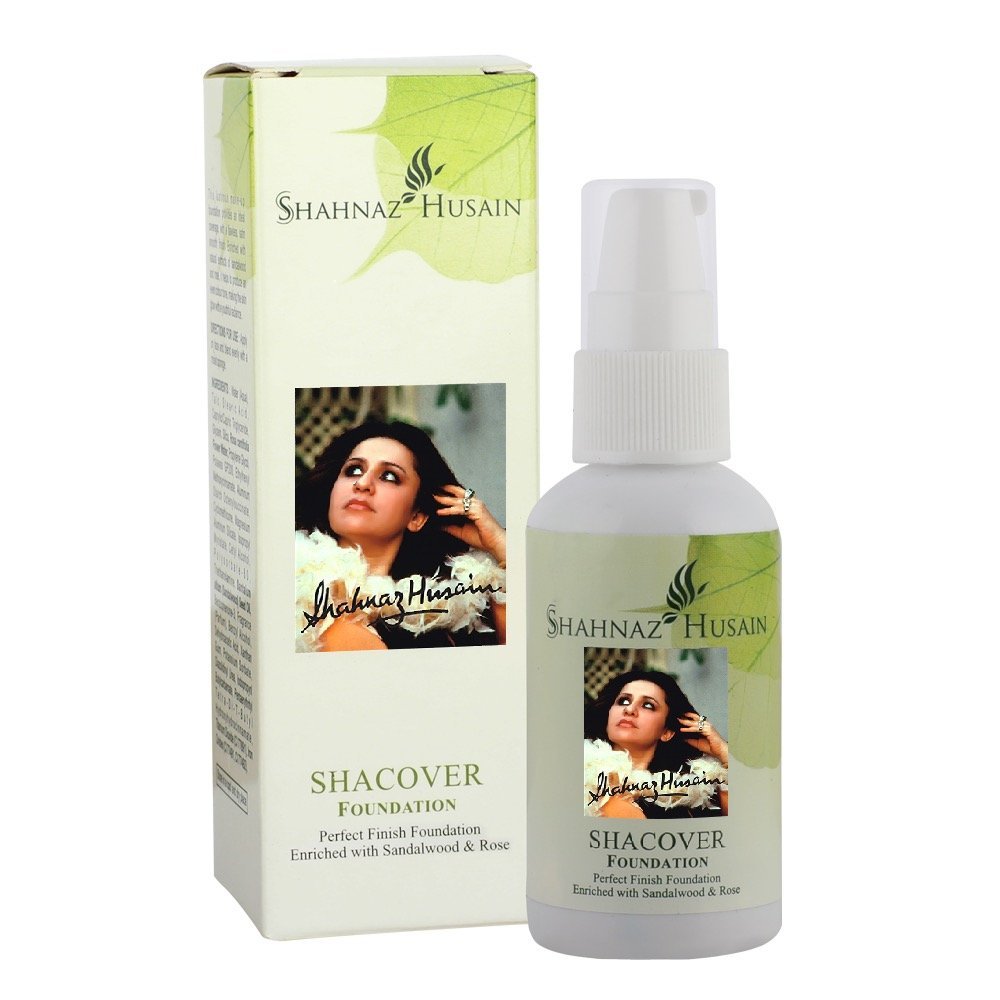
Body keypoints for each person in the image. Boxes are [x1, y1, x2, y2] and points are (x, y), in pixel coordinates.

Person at [295, 420, 507, 651]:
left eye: (389, 476)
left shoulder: (457, 614)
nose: (362, 483)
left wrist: (499, 544)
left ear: (417, 516)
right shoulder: (284, 583)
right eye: (353, 470)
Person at [583, 668, 728, 819]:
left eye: (648, 705)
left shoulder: (695, 793)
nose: (629, 709)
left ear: (667, 732)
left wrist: (723, 752)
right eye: (623, 701)